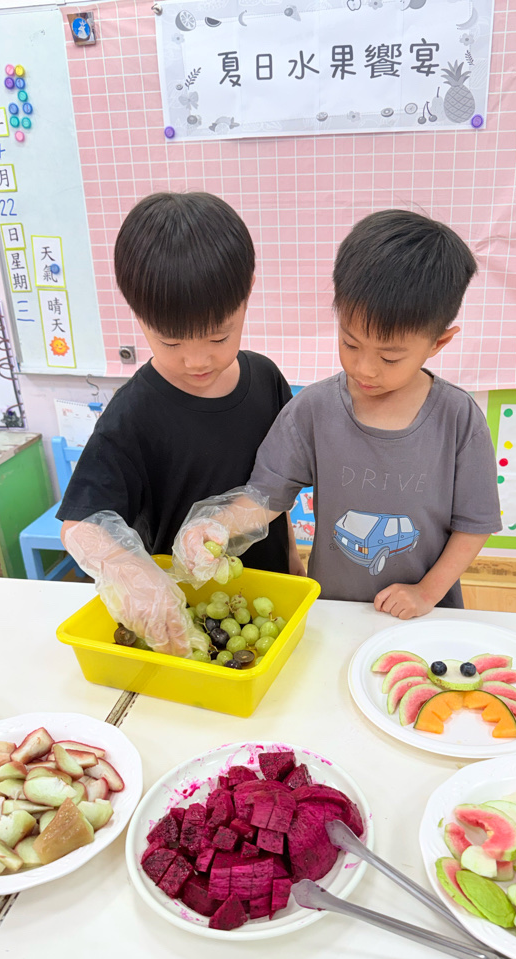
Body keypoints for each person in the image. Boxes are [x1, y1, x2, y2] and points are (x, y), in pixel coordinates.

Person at [173, 209, 502, 619]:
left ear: (438, 343)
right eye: (350, 343)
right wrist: (219, 526)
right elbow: (265, 497)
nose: (365, 369)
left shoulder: (458, 419)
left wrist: (426, 593)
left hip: (427, 614)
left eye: (389, 357)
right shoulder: (314, 410)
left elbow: (474, 524)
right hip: (333, 611)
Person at [58, 192, 302, 654]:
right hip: (185, 622)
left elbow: (277, 488)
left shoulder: (267, 379)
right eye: (170, 342)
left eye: (218, 336)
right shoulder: (134, 413)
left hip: (268, 606)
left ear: (248, 292)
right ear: (137, 313)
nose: (196, 360)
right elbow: (80, 523)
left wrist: (291, 558)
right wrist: (128, 571)